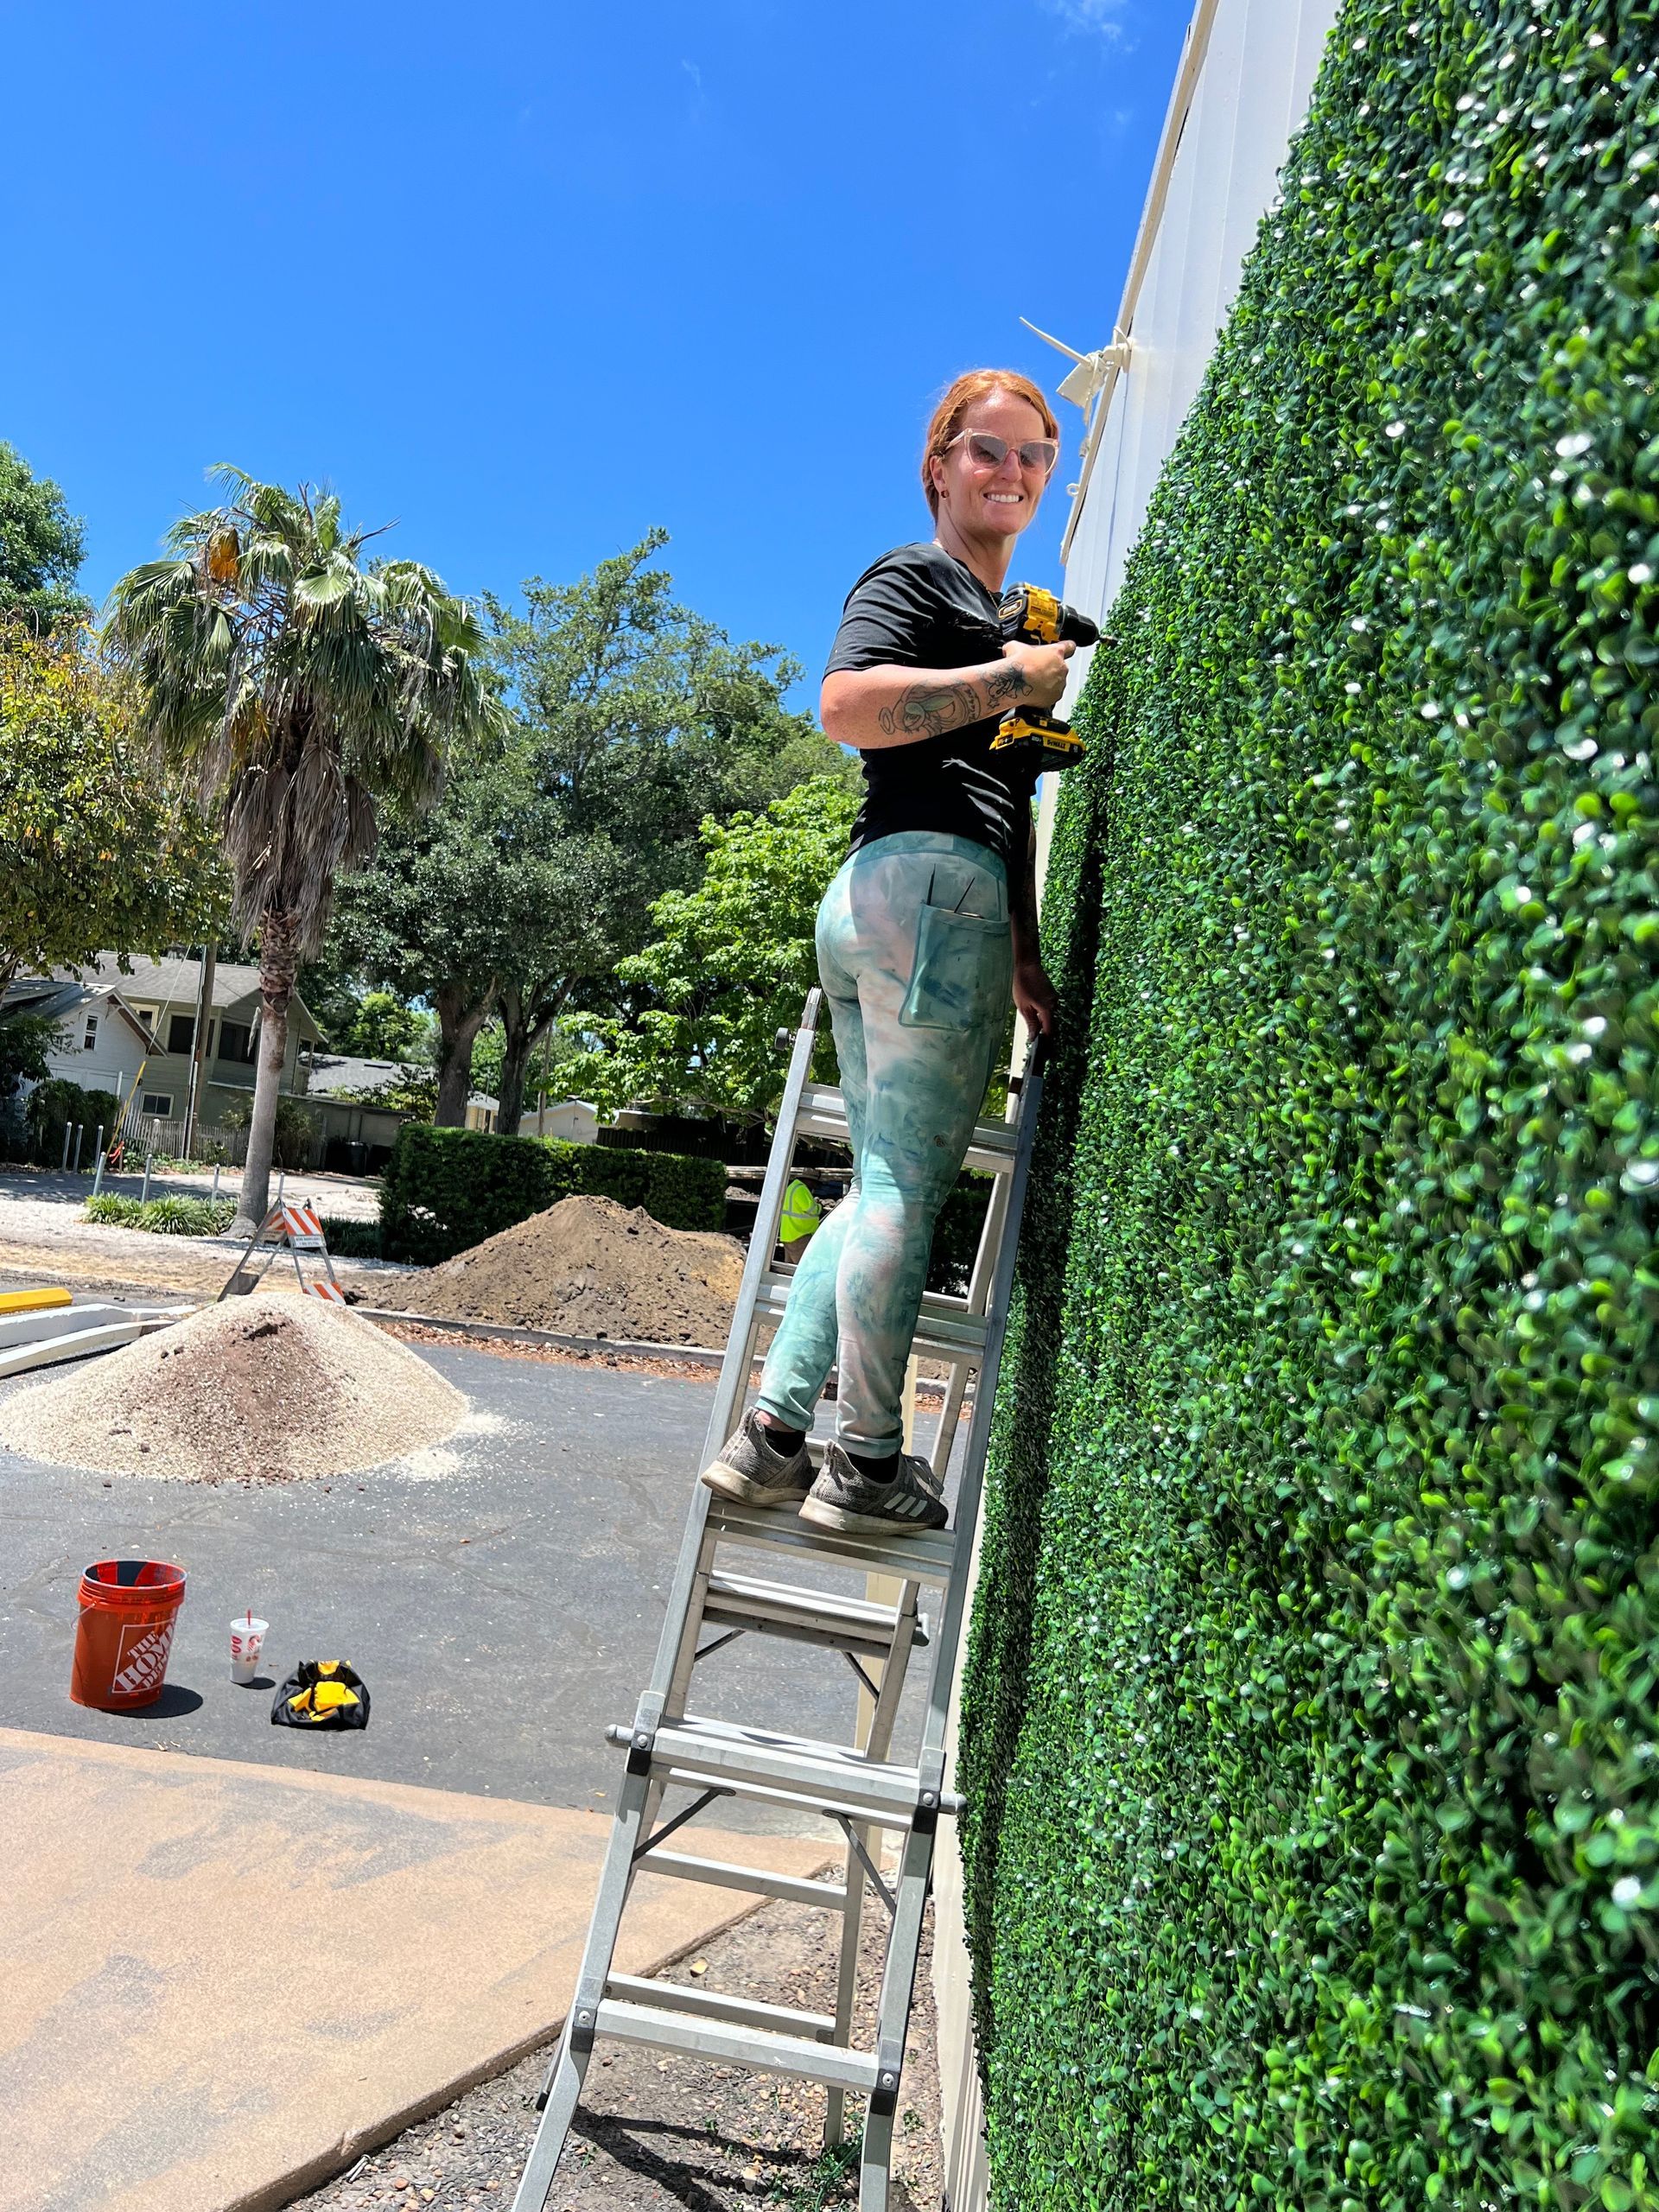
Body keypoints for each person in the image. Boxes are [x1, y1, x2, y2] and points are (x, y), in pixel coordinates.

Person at [702, 368, 1069, 1535]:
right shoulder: (914, 578)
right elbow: (849, 707)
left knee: (876, 1193)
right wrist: (1014, 677)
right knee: (906, 1190)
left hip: (903, 907)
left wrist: (1021, 957)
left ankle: (769, 1437)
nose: (1011, 472)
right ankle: (865, 1464)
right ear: (940, 466)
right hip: (919, 900)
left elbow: (999, 804)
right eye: (988, 451)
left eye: (1034, 454)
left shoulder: (1009, 618)